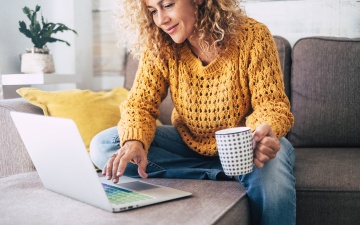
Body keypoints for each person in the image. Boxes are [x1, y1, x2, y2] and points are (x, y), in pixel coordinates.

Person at [90, 0, 296, 224]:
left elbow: (272, 106)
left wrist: (262, 134)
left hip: (246, 146)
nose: (160, 20)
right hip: (189, 144)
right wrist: (134, 141)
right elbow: (139, 104)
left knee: (271, 169)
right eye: (152, 11)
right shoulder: (161, 44)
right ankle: (221, 172)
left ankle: (238, 168)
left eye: (168, 5)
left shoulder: (253, 36)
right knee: (104, 145)